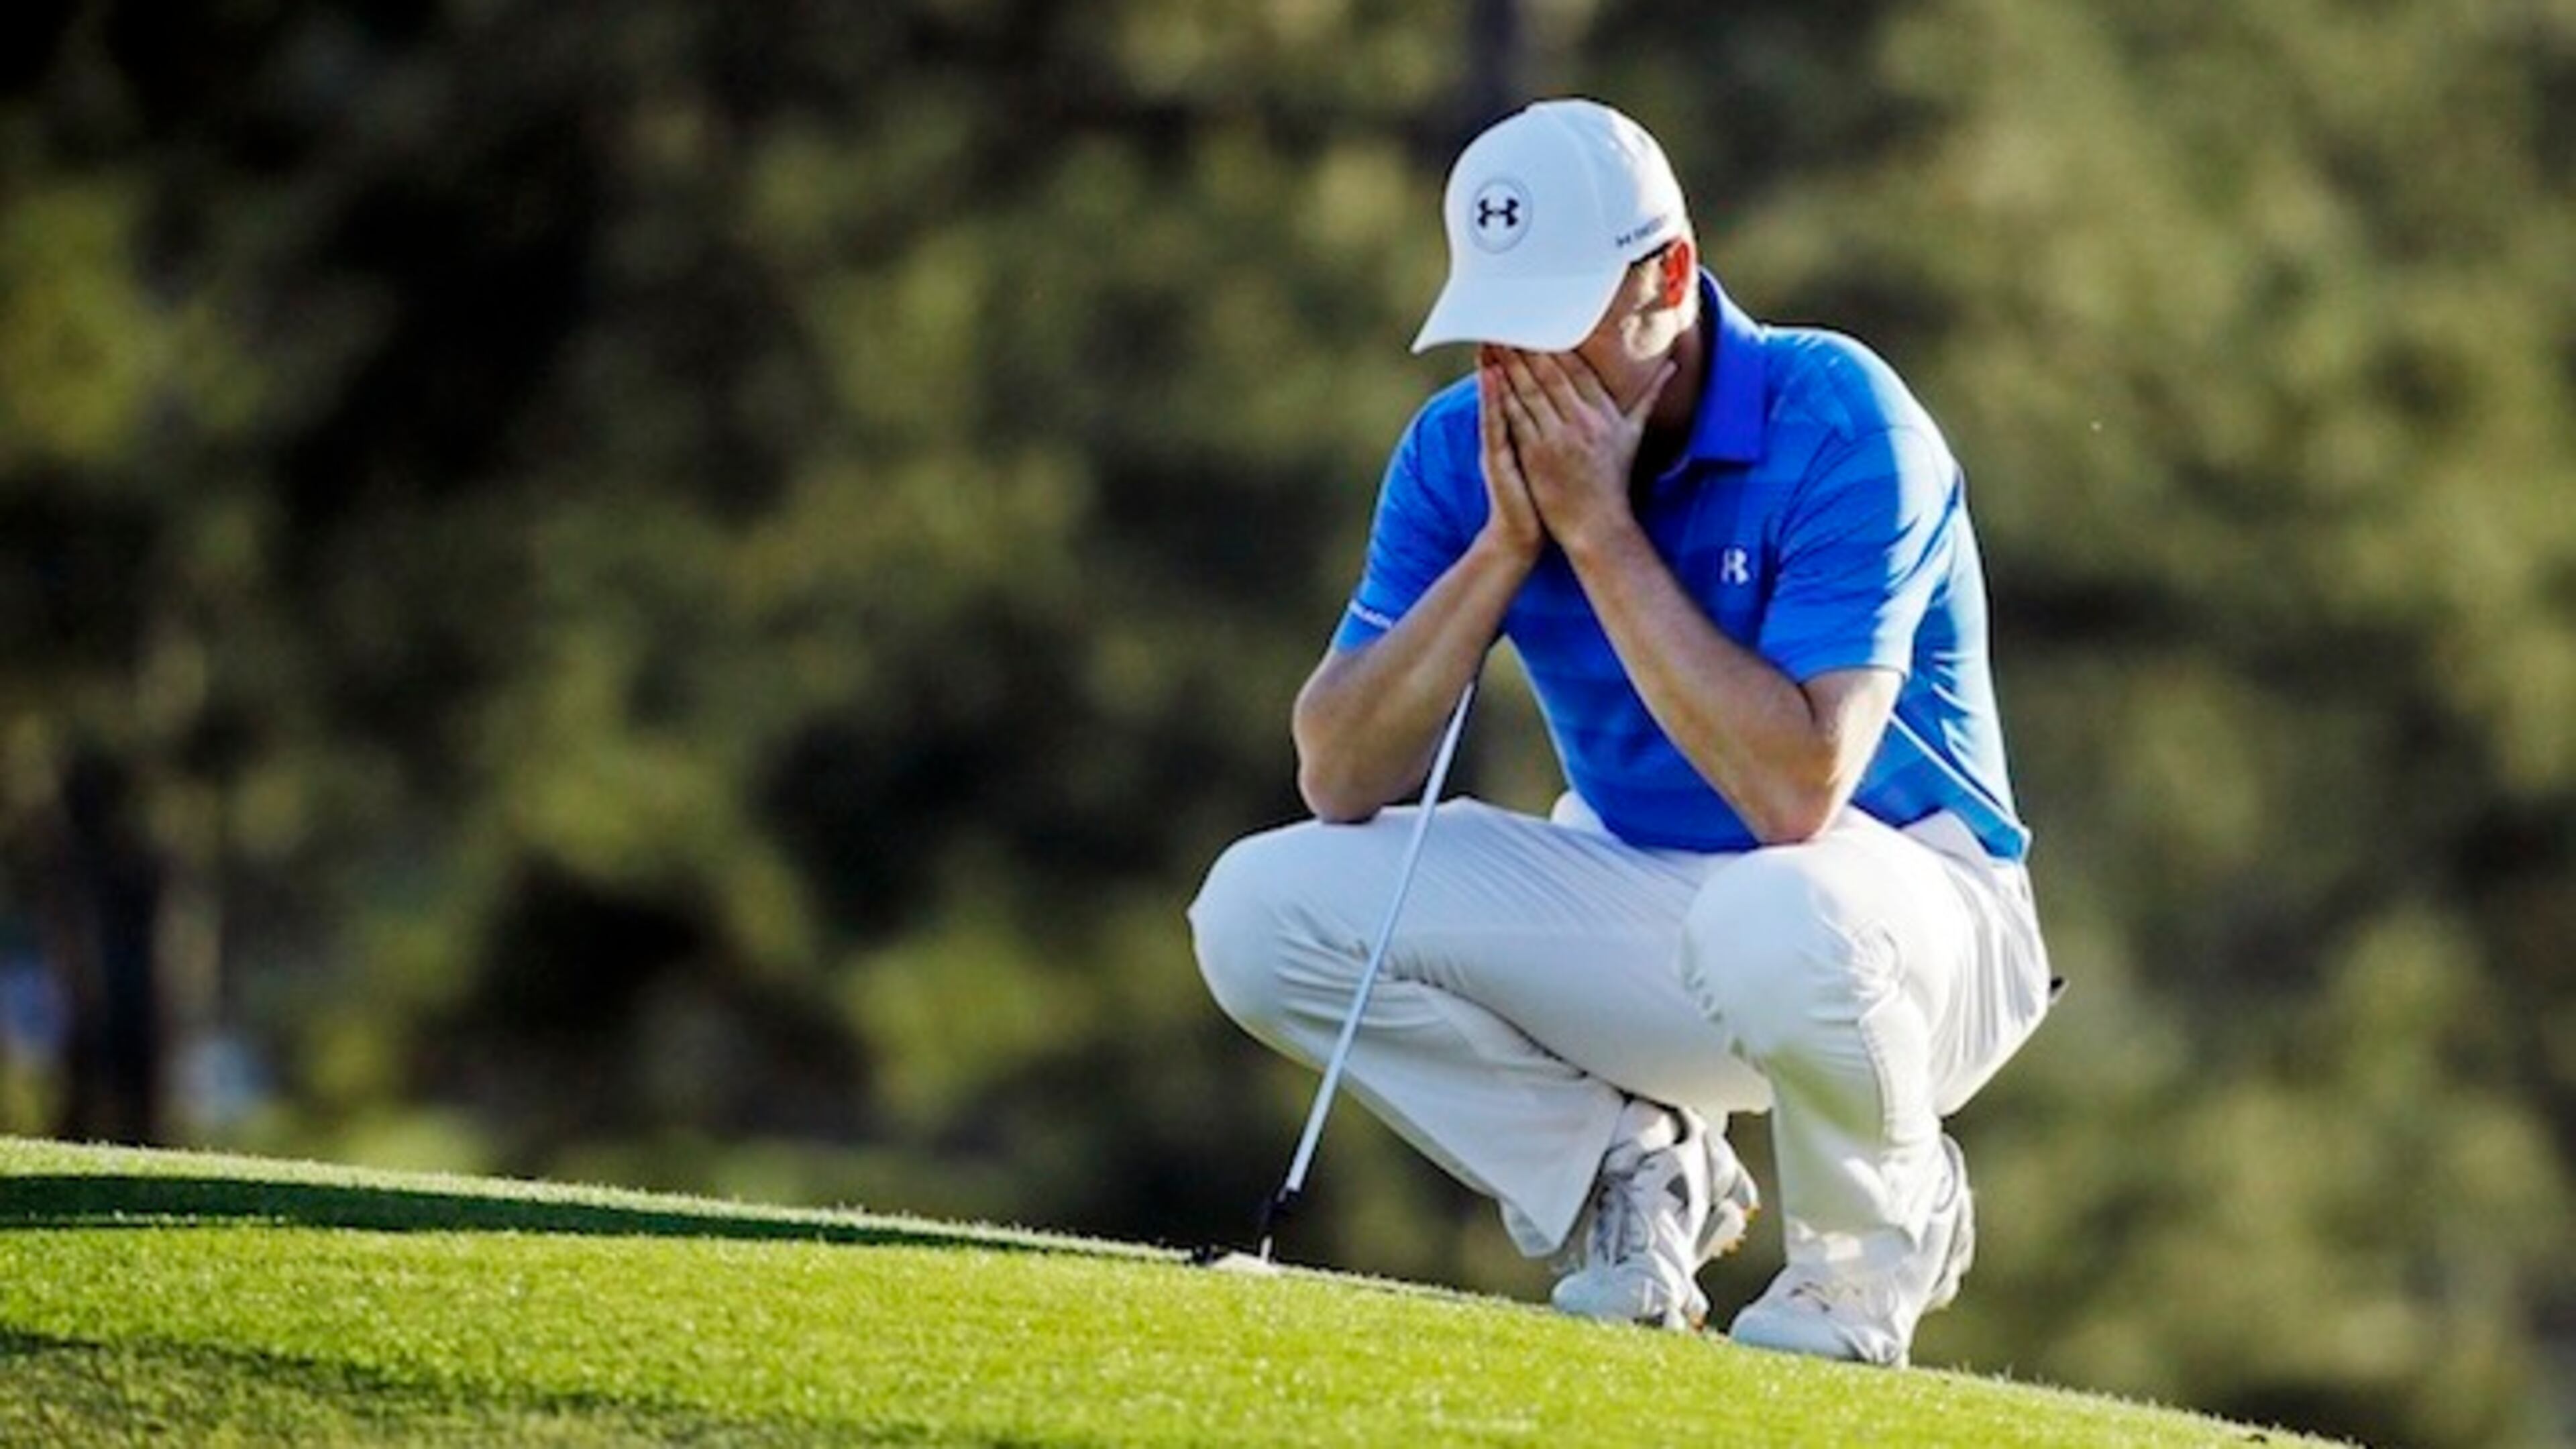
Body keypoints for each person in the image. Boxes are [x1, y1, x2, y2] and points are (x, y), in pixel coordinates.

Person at [1187, 97, 2055, 1366]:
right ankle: (1628, 1172)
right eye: (1498, 329)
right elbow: (1339, 771)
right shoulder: (1459, 454)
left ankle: (1872, 1250)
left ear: (1674, 275)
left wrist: (1598, 533)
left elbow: (1797, 796)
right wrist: (1501, 550)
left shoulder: (1845, 418)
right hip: (1659, 908)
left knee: (1776, 910)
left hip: (1917, 929)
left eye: (1560, 325)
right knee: (1259, 912)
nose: (1521, 372)